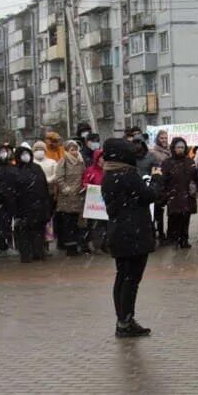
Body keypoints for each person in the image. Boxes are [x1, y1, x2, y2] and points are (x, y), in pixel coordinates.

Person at [101, 138, 160, 338]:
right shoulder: (127, 175)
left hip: (119, 232)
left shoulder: (108, 174)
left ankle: (123, 319)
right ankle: (126, 321)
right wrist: (157, 178)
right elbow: (149, 195)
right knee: (131, 278)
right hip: (134, 232)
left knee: (122, 276)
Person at [6, 146, 52, 263]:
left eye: (27, 153)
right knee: (24, 232)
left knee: (38, 231)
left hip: (38, 206)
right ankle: (26, 254)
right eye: (23, 154)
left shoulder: (37, 168)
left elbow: (44, 188)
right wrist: (14, 211)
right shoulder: (14, 170)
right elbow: (11, 192)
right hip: (23, 208)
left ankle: (38, 252)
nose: (25, 156)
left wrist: (46, 205)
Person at [52, 140, 87, 256]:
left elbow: (84, 175)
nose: (74, 152)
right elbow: (59, 177)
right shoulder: (64, 161)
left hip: (79, 196)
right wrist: (65, 188)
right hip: (67, 197)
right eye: (72, 149)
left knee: (78, 223)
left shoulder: (81, 161)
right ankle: (70, 247)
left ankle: (78, 244)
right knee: (68, 223)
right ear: (67, 150)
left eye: (76, 149)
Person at [0, 144, 16, 255]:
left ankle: (8, 244)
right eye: (1, 151)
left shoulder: (11, 166)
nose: (3, 153)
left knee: (9, 224)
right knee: (0, 224)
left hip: (10, 199)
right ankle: (1, 246)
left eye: (5, 151)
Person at [147, 130, 172, 244]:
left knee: (166, 211)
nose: (164, 140)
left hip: (168, 184)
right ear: (157, 139)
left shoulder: (169, 151)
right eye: (162, 138)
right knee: (157, 211)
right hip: (158, 184)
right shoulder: (153, 152)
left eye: (166, 138)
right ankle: (158, 234)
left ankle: (166, 234)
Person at [80, 147, 105, 253]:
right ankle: (93, 244)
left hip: (105, 201)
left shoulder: (107, 170)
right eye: (101, 157)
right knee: (93, 225)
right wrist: (87, 186)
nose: (103, 159)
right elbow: (85, 182)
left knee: (104, 225)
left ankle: (103, 244)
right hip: (94, 202)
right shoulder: (90, 170)